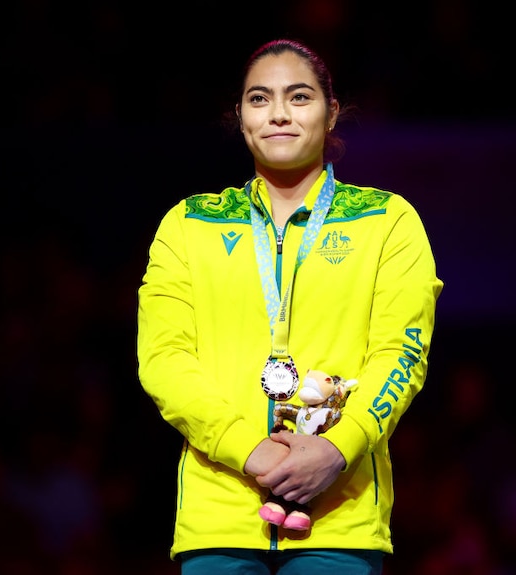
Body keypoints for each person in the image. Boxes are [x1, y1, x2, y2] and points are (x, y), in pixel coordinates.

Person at [136, 38, 443, 575]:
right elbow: (164, 361)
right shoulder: (188, 225)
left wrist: (338, 450)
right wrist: (248, 450)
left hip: (340, 519)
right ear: (240, 116)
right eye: (260, 99)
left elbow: (402, 354)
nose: (278, 113)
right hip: (219, 519)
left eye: (299, 97)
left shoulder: (388, 221)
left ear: (331, 113)